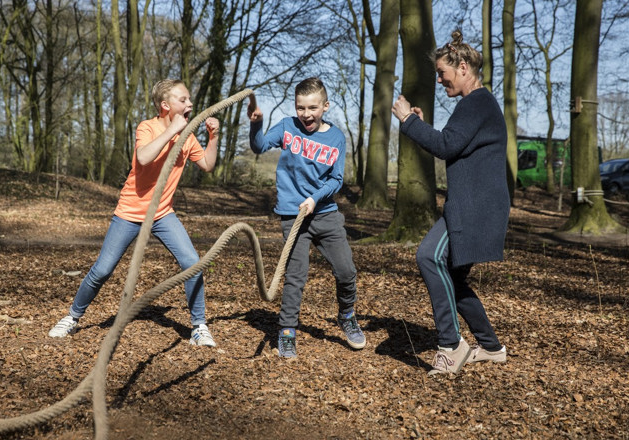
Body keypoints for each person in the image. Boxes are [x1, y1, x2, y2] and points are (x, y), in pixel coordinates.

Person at [48, 79, 219, 347]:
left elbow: (208, 164)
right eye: (183, 100)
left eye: (189, 99)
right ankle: (72, 317)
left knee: (191, 262)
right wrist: (173, 129)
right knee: (103, 270)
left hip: (162, 214)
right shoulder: (147, 127)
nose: (190, 104)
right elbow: (143, 157)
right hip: (130, 212)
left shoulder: (188, 137)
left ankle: (199, 327)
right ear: (166, 106)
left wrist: (213, 137)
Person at [391, 30, 509, 375]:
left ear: (462, 67)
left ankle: (451, 344)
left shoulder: (476, 102)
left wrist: (408, 120)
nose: (440, 80)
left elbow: (445, 146)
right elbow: (453, 143)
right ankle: (491, 347)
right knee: (453, 278)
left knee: (428, 256)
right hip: (481, 205)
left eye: (442, 73)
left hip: (473, 208)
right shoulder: (478, 104)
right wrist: (422, 126)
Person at [248, 77, 366, 358]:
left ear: (325, 106)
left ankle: (347, 315)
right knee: (295, 277)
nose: (306, 114)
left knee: (346, 271)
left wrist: (315, 198)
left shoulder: (336, 138)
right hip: (292, 216)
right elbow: (260, 146)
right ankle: (287, 331)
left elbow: (336, 180)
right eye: (301, 107)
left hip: (324, 214)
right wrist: (255, 124)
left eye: (312, 107)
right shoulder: (288, 127)